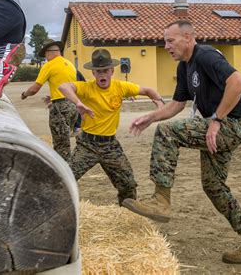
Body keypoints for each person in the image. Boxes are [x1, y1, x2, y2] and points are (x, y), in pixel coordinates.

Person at [122, 20, 241, 264]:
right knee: (214, 187)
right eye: (164, 41)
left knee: (167, 132)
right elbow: (177, 104)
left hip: (230, 126)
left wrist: (216, 120)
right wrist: (151, 116)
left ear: (189, 38)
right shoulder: (184, 67)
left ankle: (161, 200)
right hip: (220, 129)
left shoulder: (206, 55)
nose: (166, 45)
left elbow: (238, 82)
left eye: (171, 40)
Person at [58, 49, 164, 206]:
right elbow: (64, 87)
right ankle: (57, 209)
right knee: (66, 179)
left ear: (112, 71)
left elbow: (147, 90)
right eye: (98, 71)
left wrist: (159, 101)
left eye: (105, 70)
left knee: (128, 184)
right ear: (93, 73)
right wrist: (78, 102)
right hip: (88, 145)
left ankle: (127, 213)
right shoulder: (86, 88)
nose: (102, 75)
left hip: (110, 146)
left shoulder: (120, 87)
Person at [21, 39, 78, 161]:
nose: (46, 58)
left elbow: (35, 89)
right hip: (73, 106)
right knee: (65, 140)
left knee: (61, 145)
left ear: (49, 52)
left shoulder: (49, 65)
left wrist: (25, 94)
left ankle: (64, 172)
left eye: (45, 55)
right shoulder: (70, 64)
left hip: (60, 108)